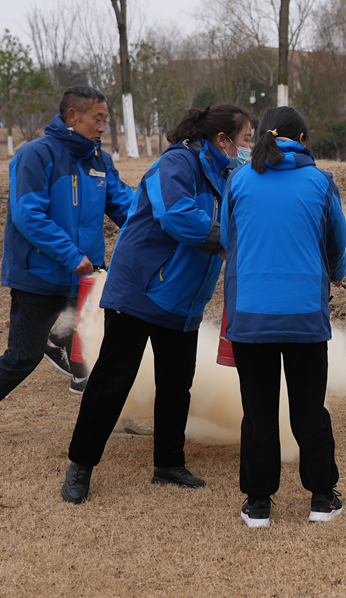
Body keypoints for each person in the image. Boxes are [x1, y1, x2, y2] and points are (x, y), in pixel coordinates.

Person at [60, 104, 254, 504]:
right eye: (245, 139)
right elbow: (178, 216)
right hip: (140, 291)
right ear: (222, 140)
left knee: (176, 384)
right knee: (112, 382)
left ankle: (168, 463)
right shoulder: (178, 163)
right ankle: (80, 466)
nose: (248, 147)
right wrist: (231, 242)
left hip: (183, 301)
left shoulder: (228, 175)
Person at [0, 86, 136, 449]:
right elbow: (27, 215)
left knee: (105, 349)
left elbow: (128, 207)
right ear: (73, 116)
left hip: (88, 280)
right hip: (40, 276)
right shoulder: (35, 155)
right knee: (23, 356)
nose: (104, 126)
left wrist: (161, 222)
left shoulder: (99, 161)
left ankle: (115, 416)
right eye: (98, 118)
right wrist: (71, 255)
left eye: (107, 119)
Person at [219, 106, 346, 528]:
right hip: (305, 318)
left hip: (251, 316)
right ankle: (322, 499)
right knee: (309, 408)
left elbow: (227, 239)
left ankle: (258, 503)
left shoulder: (238, 180)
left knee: (258, 411)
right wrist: (335, 274)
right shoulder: (321, 182)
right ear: (303, 139)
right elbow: (336, 245)